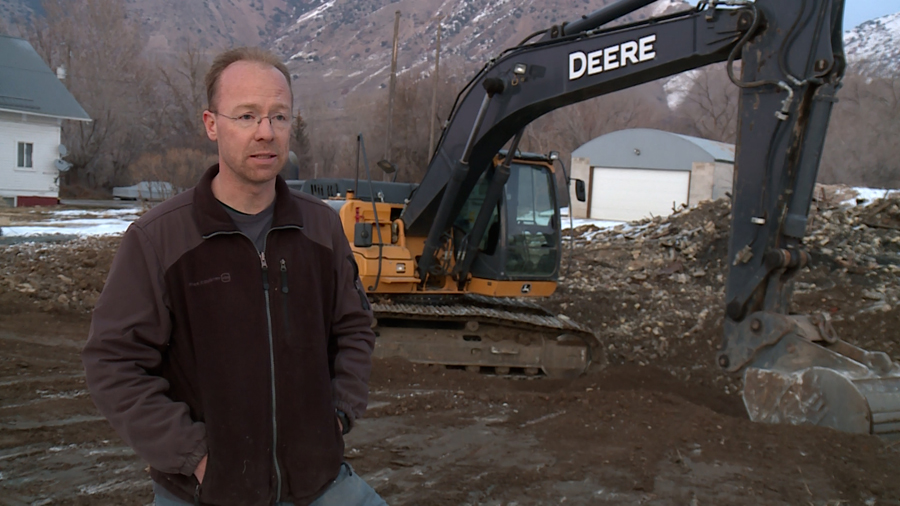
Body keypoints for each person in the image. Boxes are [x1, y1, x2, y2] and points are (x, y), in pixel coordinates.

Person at [82, 47, 386, 506]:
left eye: (279, 116)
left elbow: (355, 326)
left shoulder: (321, 227)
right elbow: (113, 362)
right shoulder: (158, 239)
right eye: (246, 116)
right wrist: (195, 456)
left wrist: (339, 412)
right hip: (206, 492)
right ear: (211, 124)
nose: (266, 132)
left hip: (319, 483)